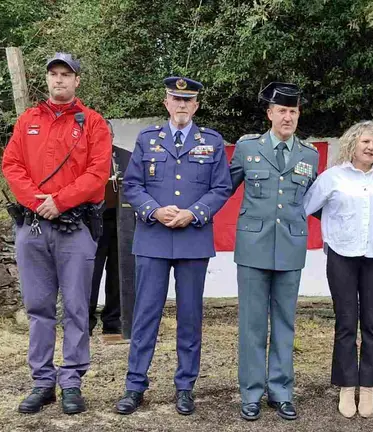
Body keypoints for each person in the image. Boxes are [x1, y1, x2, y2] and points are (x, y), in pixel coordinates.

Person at [114, 77, 232, 416]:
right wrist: (153, 209)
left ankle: (185, 387)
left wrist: (194, 213)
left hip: (192, 240)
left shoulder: (210, 141)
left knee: (190, 318)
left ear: (196, 106)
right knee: (145, 316)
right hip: (152, 238)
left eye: (187, 100)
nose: (181, 105)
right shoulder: (148, 139)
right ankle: (135, 386)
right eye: (175, 99)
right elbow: (132, 185)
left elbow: (221, 188)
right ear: (166, 103)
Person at [2, 52, 112, 415]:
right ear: (47, 79)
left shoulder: (94, 123)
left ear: (77, 80)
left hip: (75, 227)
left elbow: (97, 175)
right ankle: (42, 382)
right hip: (33, 227)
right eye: (54, 74)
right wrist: (37, 202)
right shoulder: (27, 120)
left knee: (78, 307)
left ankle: (72, 382)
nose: (60, 80)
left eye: (67, 74)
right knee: (38, 308)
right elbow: (12, 165)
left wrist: (60, 201)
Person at [303, 121, 373, 418]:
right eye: (365, 142)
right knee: (347, 323)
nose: (370, 147)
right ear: (352, 144)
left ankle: (368, 386)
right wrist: (333, 227)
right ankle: (346, 385)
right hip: (341, 256)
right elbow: (308, 205)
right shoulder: (332, 177)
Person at [229, 82, 319, 421]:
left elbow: (318, 200)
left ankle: (281, 391)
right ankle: (251, 392)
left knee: (285, 323)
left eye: (293, 111)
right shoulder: (246, 149)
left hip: (291, 248)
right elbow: (223, 187)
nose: (288, 117)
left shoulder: (309, 155)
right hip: (252, 248)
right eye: (282, 110)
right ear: (269, 113)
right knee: (252, 324)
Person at [88, 120, 121, 337]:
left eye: (108, 134)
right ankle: (85, 322)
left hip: (120, 220)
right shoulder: (86, 156)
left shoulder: (123, 156)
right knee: (91, 273)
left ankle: (113, 321)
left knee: (118, 274)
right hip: (93, 220)